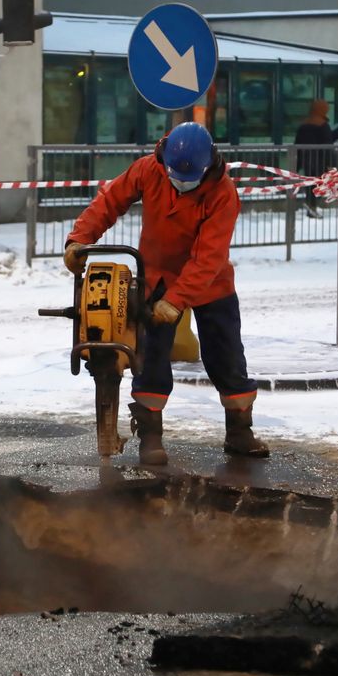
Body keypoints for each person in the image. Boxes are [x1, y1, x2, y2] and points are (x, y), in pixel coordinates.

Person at [63, 122, 268, 466]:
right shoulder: (148, 169)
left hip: (210, 283)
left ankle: (239, 431)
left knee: (226, 355)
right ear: (165, 162)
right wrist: (80, 239)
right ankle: (151, 435)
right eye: (176, 176)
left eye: (191, 180)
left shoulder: (223, 194)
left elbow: (209, 256)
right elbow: (110, 201)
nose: (182, 185)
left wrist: (177, 300)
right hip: (155, 277)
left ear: (208, 167)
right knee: (150, 358)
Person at [293, 99, 333, 218]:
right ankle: (312, 206)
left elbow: (297, 144)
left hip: (306, 159)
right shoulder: (323, 126)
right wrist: (329, 164)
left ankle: (310, 205)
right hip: (319, 159)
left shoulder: (304, 125)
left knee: (311, 183)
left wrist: (298, 163)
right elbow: (328, 145)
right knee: (318, 185)